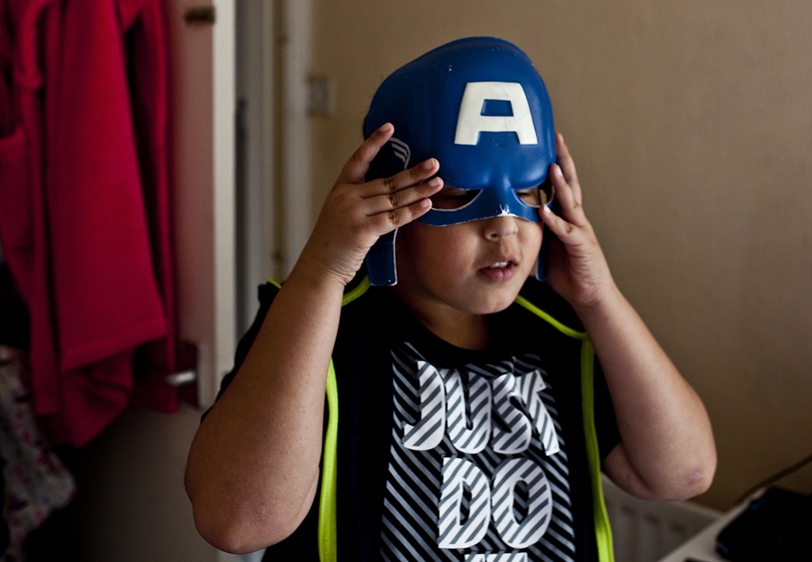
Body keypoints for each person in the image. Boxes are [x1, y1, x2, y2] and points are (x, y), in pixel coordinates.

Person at [185, 37, 716, 562]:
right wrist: (321, 275)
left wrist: (601, 298)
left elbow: (684, 473)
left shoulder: (563, 328)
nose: (504, 228)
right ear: (386, 198)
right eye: (462, 196)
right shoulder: (322, 327)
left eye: (529, 192)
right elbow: (236, 523)